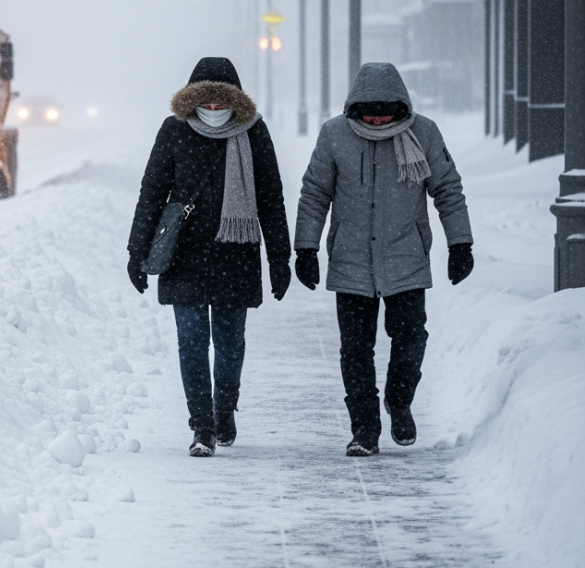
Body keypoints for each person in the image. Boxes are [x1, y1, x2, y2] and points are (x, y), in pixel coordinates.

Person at [294, 62, 473, 457]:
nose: (377, 119)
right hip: (351, 261)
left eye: (385, 112)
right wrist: (304, 248)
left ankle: (398, 400)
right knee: (355, 350)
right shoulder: (334, 135)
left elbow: (447, 188)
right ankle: (364, 428)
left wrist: (460, 243)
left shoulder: (423, 132)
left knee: (410, 339)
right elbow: (314, 194)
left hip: (405, 258)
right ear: (355, 107)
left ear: (400, 107)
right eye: (370, 111)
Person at [127, 57, 292, 457]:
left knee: (231, 342)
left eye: (222, 104)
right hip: (185, 253)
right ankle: (202, 425)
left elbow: (271, 197)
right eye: (207, 103)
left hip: (236, 252)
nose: (214, 111)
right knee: (192, 341)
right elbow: (152, 192)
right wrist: (137, 250)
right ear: (191, 101)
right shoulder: (174, 131)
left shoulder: (254, 133)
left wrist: (280, 259)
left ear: (236, 102)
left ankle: (224, 408)